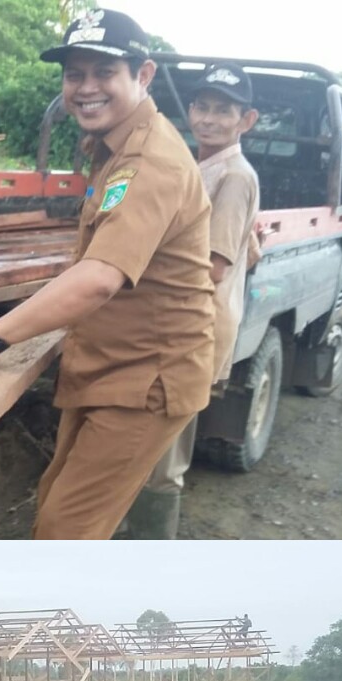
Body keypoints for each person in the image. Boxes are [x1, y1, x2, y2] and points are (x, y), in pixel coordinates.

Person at [0, 9, 214, 540]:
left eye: (104, 73)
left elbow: (100, 277)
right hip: (109, 365)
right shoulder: (114, 147)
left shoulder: (150, 160)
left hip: (146, 378)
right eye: (75, 74)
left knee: (65, 530)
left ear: (142, 76)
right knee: (59, 506)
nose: (86, 88)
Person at [121, 63, 261, 538]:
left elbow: (213, 266)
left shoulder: (234, 176)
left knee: (165, 450)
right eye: (203, 106)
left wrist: (129, 281)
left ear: (247, 120)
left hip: (192, 326)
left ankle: (149, 549)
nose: (209, 118)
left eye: (225, 110)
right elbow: (251, 249)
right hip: (182, 320)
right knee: (151, 433)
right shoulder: (201, 165)